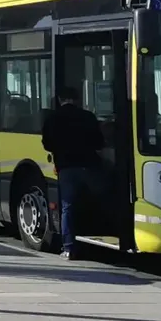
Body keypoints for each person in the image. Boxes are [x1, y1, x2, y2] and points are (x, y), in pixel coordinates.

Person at [42, 86, 105, 260]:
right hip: (90, 166)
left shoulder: (52, 119)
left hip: (66, 168)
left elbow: (47, 144)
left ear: (60, 99)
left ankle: (69, 248)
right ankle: (101, 234)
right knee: (99, 199)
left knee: (67, 207)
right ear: (77, 99)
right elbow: (99, 142)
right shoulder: (88, 117)